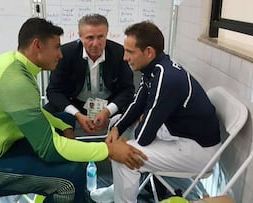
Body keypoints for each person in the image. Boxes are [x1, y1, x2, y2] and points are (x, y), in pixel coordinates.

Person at [0, 17, 147, 203]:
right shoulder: (16, 82)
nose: (60, 54)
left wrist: (62, 125)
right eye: (56, 47)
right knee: (67, 182)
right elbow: (49, 149)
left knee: (64, 125)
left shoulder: (10, 62)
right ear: (38, 46)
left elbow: (37, 112)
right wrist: (109, 150)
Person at [91, 21, 222, 203]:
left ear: (149, 52)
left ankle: (122, 199)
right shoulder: (156, 67)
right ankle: (116, 192)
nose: (125, 57)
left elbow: (144, 137)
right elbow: (138, 102)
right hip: (180, 133)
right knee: (120, 126)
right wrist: (117, 129)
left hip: (198, 151)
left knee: (125, 155)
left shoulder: (166, 78)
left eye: (130, 52)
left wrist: (127, 141)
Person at [43, 13, 135, 136]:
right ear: (80, 37)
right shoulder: (65, 53)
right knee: (46, 114)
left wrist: (108, 111)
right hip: (75, 103)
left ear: (106, 34)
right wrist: (76, 114)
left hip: (109, 104)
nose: (95, 43)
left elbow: (127, 89)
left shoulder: (119, 52)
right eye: (90, 38)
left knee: (135, 109)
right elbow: (53, 91)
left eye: (100, 37)